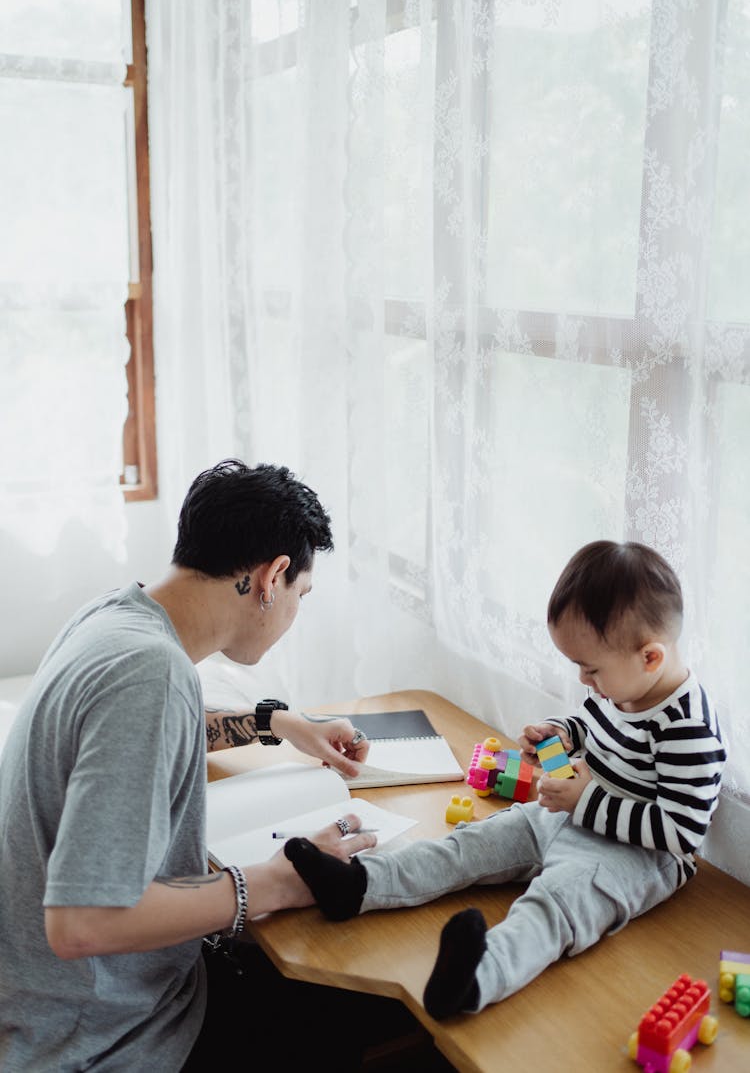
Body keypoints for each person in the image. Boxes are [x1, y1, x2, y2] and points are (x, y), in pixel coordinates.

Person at [0, 459, 424, 1072]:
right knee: (374, 1009)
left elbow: (138, 732)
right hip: (103, 1038)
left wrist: (276, 724)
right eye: (301, 594)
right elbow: (83, 923)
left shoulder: (115, 618)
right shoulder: (151, 675)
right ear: (272, 577)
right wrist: (275, 882)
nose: (295, 610)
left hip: (62, 1003)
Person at [285, 540, 727, 1020]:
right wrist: (561, 734)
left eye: (591, 669)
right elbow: (593, 724)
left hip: (636, 856)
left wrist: (585, 800)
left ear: (651, 658)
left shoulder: (690, 729)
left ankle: (477, 978)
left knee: (555, 906)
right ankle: (359, 885)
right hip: (566, 812)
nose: (584, 680)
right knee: (467, 845)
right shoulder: (622, 685)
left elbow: (681, 833)